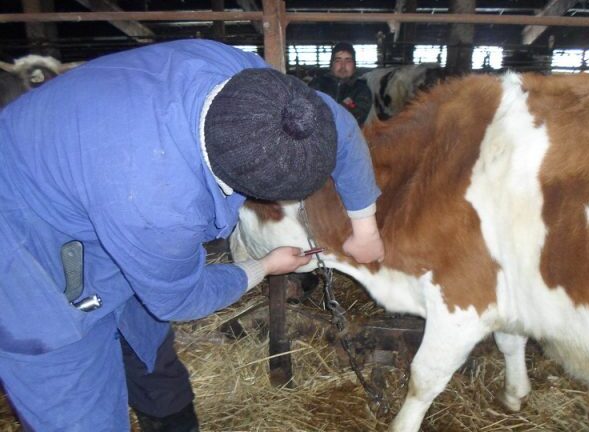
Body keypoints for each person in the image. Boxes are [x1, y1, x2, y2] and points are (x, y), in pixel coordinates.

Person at [0, 40, 385, 431]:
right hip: (21, 250)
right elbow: (179, 297)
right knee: (75, 395)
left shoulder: (253, 84)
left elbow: (336, 123)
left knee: (146, 340)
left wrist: (365, 228)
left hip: (84, 171)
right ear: (243, 188)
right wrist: (264, 266)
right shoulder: (160, 205)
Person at [309, 42, 372, 126]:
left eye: (348, 60)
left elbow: (357, 119)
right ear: (331, 65)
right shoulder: (317, 85)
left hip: (348, 137)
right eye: (338, 60)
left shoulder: (361, 90)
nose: (343, 66)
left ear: (354, 65)